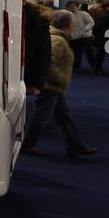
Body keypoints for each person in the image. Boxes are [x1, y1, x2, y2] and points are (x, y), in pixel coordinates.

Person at [22, 9, 98, 158]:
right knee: (42, 117)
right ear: (68, 24)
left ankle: (75, 146)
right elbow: (48, 64)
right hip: (51, 87)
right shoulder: (58, 40)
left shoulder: (58, 38)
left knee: (63, 117)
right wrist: (62, 79)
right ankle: (27, 145)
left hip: (55, 87)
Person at [66, 0, 95, 71]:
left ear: (76, 6)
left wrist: (85, 30)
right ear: (67, 7)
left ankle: (95, 68)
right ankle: (75, 68)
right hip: (73, 38)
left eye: (74, 6)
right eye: (70, 6)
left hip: (84, 37)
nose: (72, 7)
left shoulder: (83, 14)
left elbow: (91, 23)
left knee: (89, 53)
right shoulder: (66, 15)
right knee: (76, 54)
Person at [90, 1, 109, 75]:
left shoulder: (108, 14)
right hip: (102, 37)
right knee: (100, 54)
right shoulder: (106, 15)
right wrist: (92, 33)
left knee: (101, 54)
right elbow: (98, 26)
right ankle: (98, 69)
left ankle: (98, 69)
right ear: (107, 7)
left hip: (104, 36)